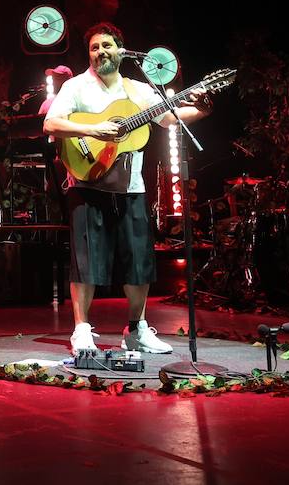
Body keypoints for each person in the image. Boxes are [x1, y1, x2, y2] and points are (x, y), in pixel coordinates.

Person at [43, 22, 213, 355]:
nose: (100, 52)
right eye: (94, 48)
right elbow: (51, 124)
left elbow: (167, 119)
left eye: (106, 46)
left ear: (121, 50)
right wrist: (93, 131)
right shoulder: (76, 87)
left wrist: (203, 109)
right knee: (86, 260)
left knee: (139, 261)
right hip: (87, 182)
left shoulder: (139, 90)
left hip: (131, 186)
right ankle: (81, 330)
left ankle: (136, 330)